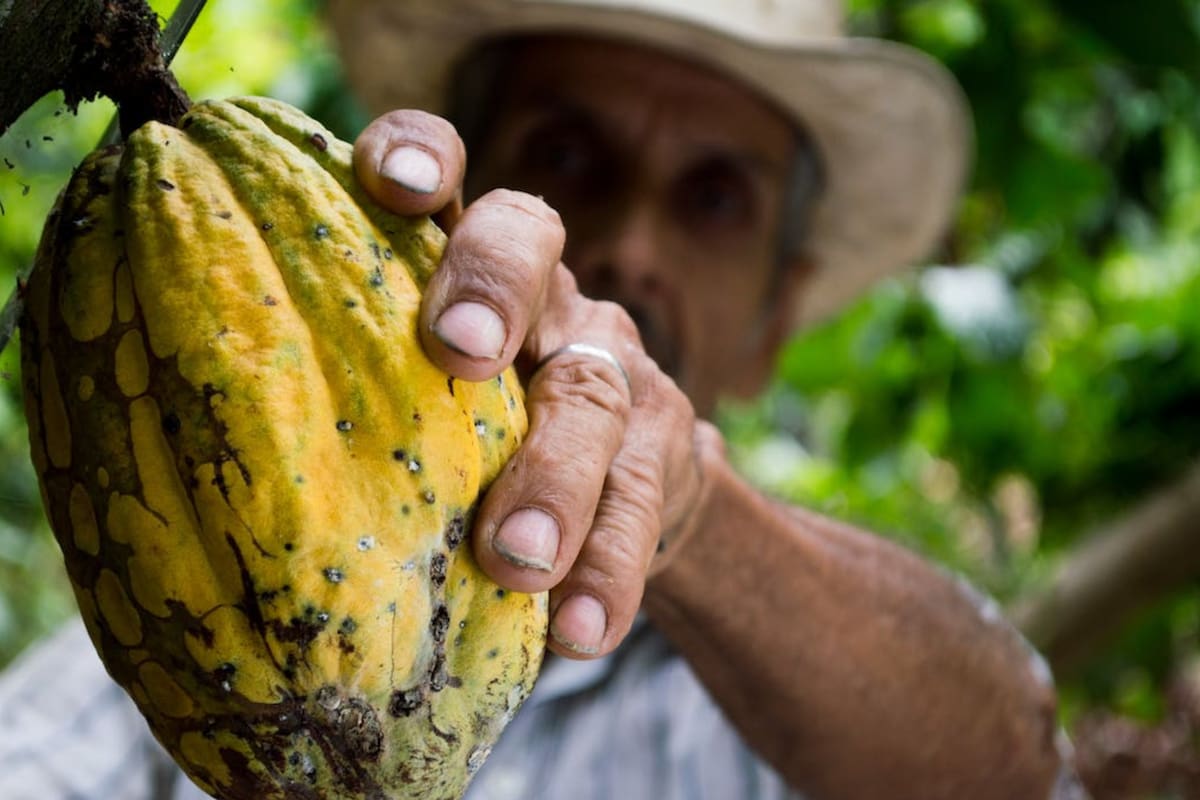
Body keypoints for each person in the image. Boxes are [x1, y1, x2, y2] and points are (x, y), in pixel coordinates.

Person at [0, 1, 1087, 798]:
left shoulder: (798, 705)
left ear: (777, 314)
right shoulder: (176, 619)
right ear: (426, 204)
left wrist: (692, 510)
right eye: (568, 152)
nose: (630, 242)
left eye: (715, 197)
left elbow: (1011, 760)